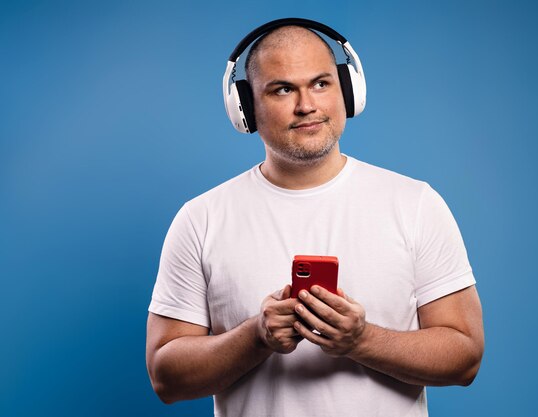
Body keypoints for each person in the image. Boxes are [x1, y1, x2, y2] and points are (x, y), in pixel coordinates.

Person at [146, 18, 484, 417]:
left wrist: (361, 340)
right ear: (245, 107)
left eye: (321, 83)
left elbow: (465, 358)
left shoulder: (415, 204)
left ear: (348, 90)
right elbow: (165, 377)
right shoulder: (201, 219)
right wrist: (257, 336)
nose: (306, 105)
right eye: (283, 89)